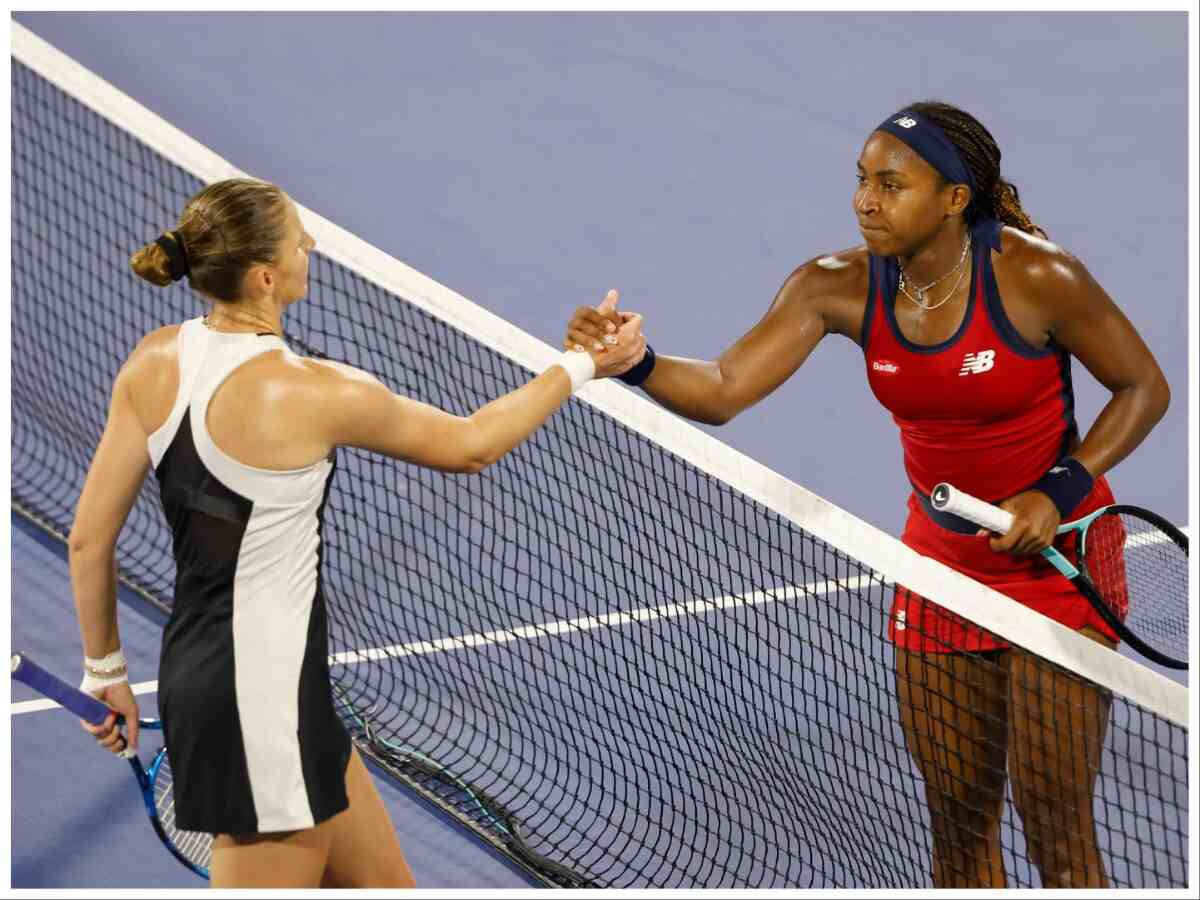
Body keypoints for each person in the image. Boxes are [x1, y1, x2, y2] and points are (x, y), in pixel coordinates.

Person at [562, 101, 1170, 888]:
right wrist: (636, 361)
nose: (865, 200)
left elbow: (1142, 387)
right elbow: (721, 387)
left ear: (954, 199)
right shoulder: (836, 286)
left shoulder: (1033, 277)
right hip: (940, 570)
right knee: (956, 825)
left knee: (1056, 829)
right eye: (861, 180)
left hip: (1059, 564)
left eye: (892, 183)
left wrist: (1057, 491)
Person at [69, 177, 645, 888]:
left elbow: (88, 541)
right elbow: (471, 445)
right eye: (297, 240)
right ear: (265, 276)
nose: (312, 245)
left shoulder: (152, 362)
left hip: (234, 680)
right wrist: (584, 364)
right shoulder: (314, 392)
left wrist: (105, 674)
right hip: (261, 710)